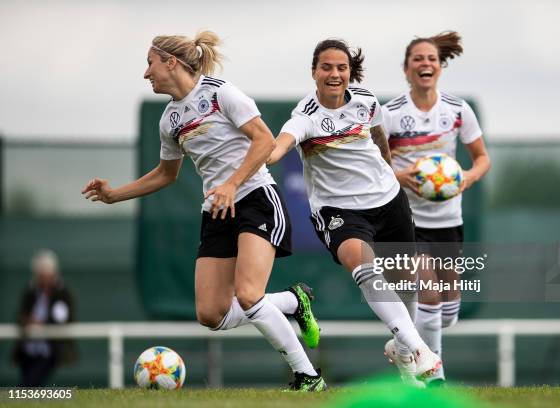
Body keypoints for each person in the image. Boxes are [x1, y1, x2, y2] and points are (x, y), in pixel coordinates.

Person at [81, 30, 325, 391]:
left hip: (257, 198)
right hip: (216, 211)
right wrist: (116, 194)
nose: (146, 73)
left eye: (150, 64)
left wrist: (231, 183)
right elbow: (167, 174)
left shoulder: (220, 91)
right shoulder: (169, 120)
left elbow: (265, 140)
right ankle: (293, 299)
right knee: (211, 314)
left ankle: (308, 376)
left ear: (171, 62)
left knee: (248, 294)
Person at [267, 38, 441, 386]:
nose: (334, 74)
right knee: (364, 268)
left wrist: (390, 172)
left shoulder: (366, 100)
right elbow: (277, 148)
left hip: (388, 201)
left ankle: (403, 351)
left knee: (406, 283)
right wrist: (260, 155)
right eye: (327, 67)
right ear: (314, 72)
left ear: (350, 72)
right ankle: (419, 349)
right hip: (340, 211)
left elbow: (379, 137)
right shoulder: (304, 118)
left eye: (341, 67)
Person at [382, 31, 491, 386]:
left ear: (439, 67)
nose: (425, 64)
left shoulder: (458, 110)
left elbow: (482, 160)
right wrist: (400, 176)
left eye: (431, 59)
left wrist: (466, 179)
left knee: (447, 314)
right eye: (418, 59)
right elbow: (376, 166)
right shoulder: (391, 114)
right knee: (427, 293)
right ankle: (435, 378)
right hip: (407, 221)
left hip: (449, 220)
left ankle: (403, 347)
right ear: (406, 68)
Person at [12, 249, 77, 386]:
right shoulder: (31, 290)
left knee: (28, 385)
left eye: (46, 275)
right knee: (28, 387)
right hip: (28, 349)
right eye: (41, 275)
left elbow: (63, 319)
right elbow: (20, 315)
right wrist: (28, 322)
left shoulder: (62, 292)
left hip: (49, 350)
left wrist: (41, 323)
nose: (44, 279)